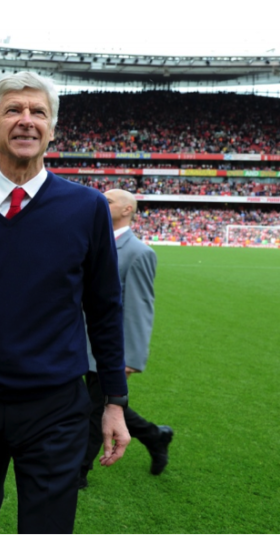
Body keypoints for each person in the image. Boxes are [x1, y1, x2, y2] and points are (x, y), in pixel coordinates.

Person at [0, 72, 130, 535]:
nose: (26, 121)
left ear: (53, 129)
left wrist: (115, 402)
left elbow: (104, 310)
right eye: (13, 111)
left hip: (56, 405)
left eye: (38, 112)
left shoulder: (86, 209)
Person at [80, 189, 172, 488]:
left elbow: (139, 307)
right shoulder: (92, 243)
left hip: (105, 348)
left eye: (108, 201)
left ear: (127, 210)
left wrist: (130, 357)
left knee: (94, 407)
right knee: (97, 402)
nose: (100, 203)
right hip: (78, 341)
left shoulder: (139, 253)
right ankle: (154, 435)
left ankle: (77, 473)